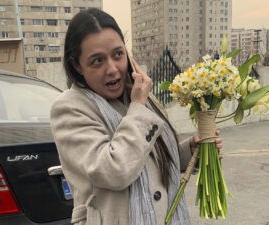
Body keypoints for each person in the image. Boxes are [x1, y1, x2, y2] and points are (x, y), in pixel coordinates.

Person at [50, 8, 222, 225]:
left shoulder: (140, 98)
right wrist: (139, 106)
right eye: (97, 61)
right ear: (77, 65)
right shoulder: (70, 108)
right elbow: (114, 170)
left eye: (118, 54)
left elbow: (151, 160)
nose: (112, 69)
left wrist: (190, 150)